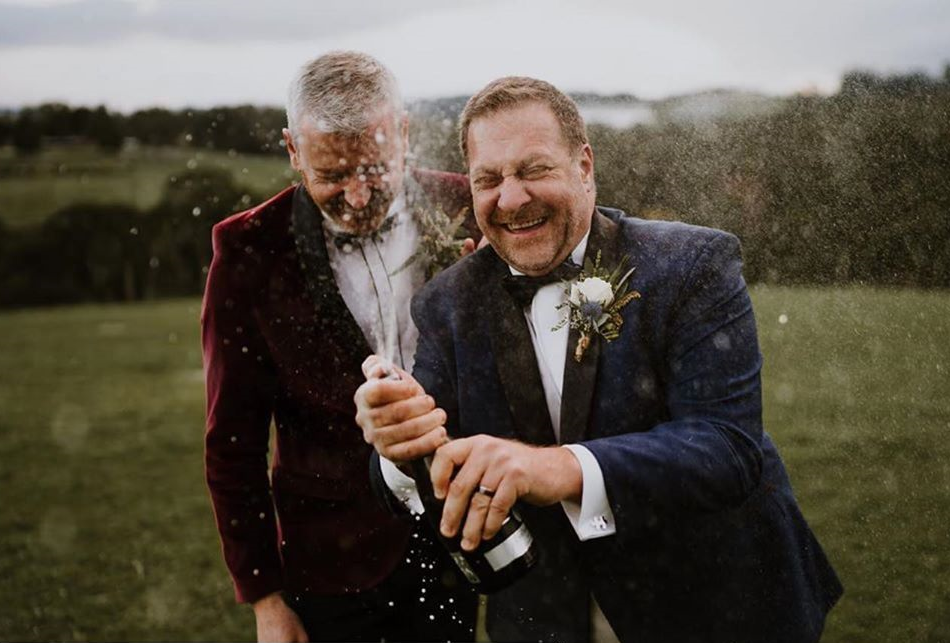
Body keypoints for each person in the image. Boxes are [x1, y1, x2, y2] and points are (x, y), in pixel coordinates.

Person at [354, 76, 843, 643]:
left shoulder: (692, 263)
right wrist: (398, 443)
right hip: (546, 618)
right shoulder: (448, 302)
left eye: (534, 169)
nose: (510, 199)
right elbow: (418, 473)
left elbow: (726, 448)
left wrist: (555, 468)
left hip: (712, 604)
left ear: (584, 166)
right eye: (488, 179)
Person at [201, 51, 478, 642]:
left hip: (462, 533)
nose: (356, 197)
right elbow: (233, 445)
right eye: (331, 176)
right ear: (292, 150)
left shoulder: (469, 208)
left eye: (374, 169)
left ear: (403, 134)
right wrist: (265, 601)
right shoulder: (249, 251)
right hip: (332, 560)